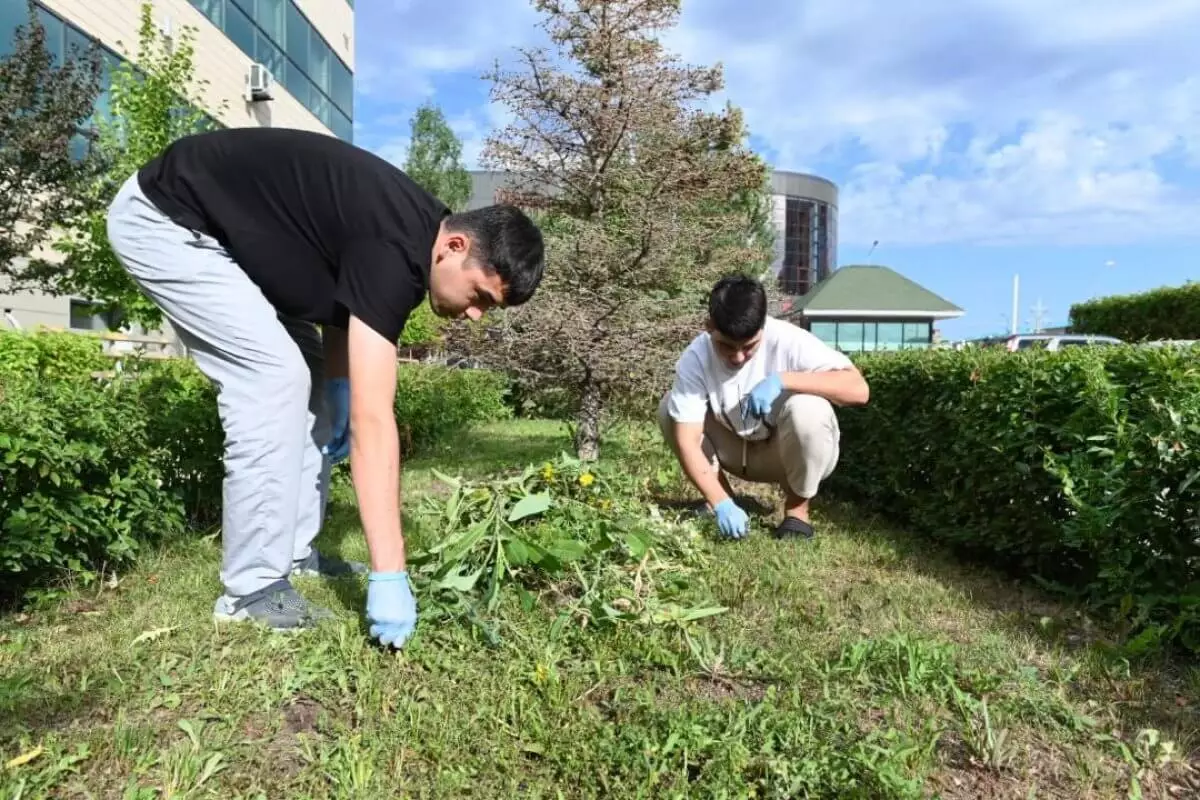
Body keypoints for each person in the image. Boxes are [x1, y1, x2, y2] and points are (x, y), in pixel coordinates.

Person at [105, 127, 545, 648]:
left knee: (310, 385)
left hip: (235, 248)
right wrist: (390, 572)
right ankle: (250, 590)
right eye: (481, 296)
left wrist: (336, 386)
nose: (474, 314)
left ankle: (294, 557)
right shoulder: (397, 247)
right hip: (168, 220)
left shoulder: (415, 236)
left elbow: (344, 310)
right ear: (455, 246)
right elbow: (374, 421)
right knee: (273, 378)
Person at [658, 274, 869, 540]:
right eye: (726, 346)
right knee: (670, 409)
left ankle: (796, 513)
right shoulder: (696, 357)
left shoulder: (790, 340)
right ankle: (722, 500)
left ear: (763, 328)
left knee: (809, 409)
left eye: (749, 347)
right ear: (709, 326)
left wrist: (783, 380)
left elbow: (859, 390)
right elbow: (688, 441)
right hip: (733, 448)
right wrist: (721, 502)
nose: (737, 357)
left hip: (783, 454)